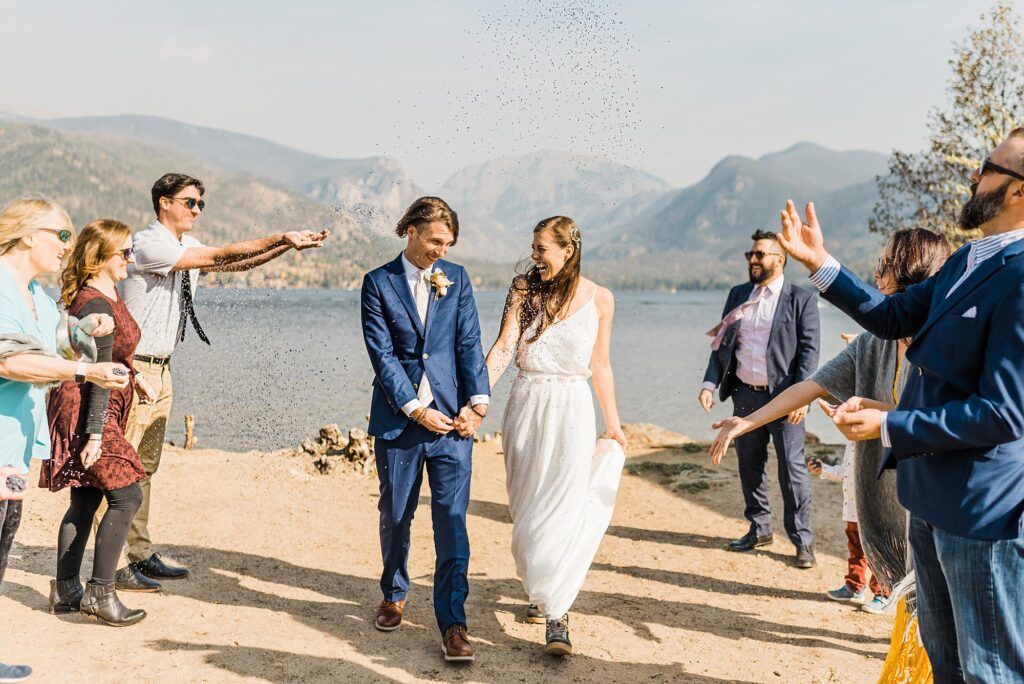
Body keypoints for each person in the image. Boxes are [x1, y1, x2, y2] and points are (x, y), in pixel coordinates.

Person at [776, 128, 1024, 682]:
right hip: (926, 501)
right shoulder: (965, 262)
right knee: (946, 664)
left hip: (981, 513)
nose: (973, 176)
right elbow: (890, 317)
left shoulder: (1023, 278)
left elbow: (1005, 414)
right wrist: (821, 263)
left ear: (1018, 193)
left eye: (987, 168)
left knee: (990, 671)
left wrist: (892, 423)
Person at [710, 230, 950, 677]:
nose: (876, 271)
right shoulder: (874, 342)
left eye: (885, 263)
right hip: (899, 501)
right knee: (914, 622)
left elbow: (953, 417)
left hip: (940, 502)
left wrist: (882, 416)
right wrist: (749, 420)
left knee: (940, 629)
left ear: (911, 272)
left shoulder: (948, 338)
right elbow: (811, 384)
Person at [110, 173, 329, 592]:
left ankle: (138, 552)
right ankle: (114, 562)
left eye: (199, 205)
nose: (195, 210)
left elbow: (235, 262)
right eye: (189, 202)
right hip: (135, 369)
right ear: (163, 203)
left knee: (145, 467)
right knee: (122, 466)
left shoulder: (184, 246)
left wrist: (286, 246)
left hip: (162, 369)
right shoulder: (149, 243)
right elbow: (220, 255)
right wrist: (280, 233)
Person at [483, 216, 626, 656]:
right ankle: (539, 589)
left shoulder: (601, 299)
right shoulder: (524, 290)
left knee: (562, 505)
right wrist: (476, 398)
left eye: (541, 248)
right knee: (526, 508)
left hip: (572, 408)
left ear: (568, 250)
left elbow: (600, 364)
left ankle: (557, 614)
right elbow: (506, 345)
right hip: (527, 403)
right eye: (533, 247)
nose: (535, 256)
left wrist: (614, 424)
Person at [0, 197, 128, 681]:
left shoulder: (30, 290)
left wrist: (81, 330)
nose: (67, 247)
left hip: (12, 453)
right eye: (62, 235)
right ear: (28, 234)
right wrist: (84, 367)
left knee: (3, 542)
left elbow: (52, 337)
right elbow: (8, 359)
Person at [360, 196, 489, 662]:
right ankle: (393, 593)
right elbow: (383, 355)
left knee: (452, 525)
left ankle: (453, 623)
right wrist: (415, 409)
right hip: (400, 423)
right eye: (436, 240)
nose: (443, 250)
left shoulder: (457, 279)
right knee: (396, 515)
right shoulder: (377, 283)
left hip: (454, 424)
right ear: (410, 231)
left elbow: (468, 343)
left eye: (449, 243)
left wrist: (478, 404)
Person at [43, 220, 150, 626]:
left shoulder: (107, 292)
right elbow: (99, 373)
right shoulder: (96, 305)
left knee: (86, 497)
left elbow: (109, 358)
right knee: (128, 495)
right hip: (90, 408)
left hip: (98, 404)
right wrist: (94, 433)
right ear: (100, 257)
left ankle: (66, 587)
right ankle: (100, 593)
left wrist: (134, 378)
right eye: (124, 252)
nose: (130, 258)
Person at [699, 229, 820, 568]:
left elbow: (809, 354)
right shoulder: (738, 294)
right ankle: (759, 527)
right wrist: (709, 383)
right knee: (750, 467)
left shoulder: (802, 299)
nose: (752, 260)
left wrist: (802, 398)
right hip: (744, 397)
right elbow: (722, 344)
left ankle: (802, 540)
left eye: (760, 255)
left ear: (779, 260)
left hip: (785, 400)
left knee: (792, 471)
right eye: (750, 255)